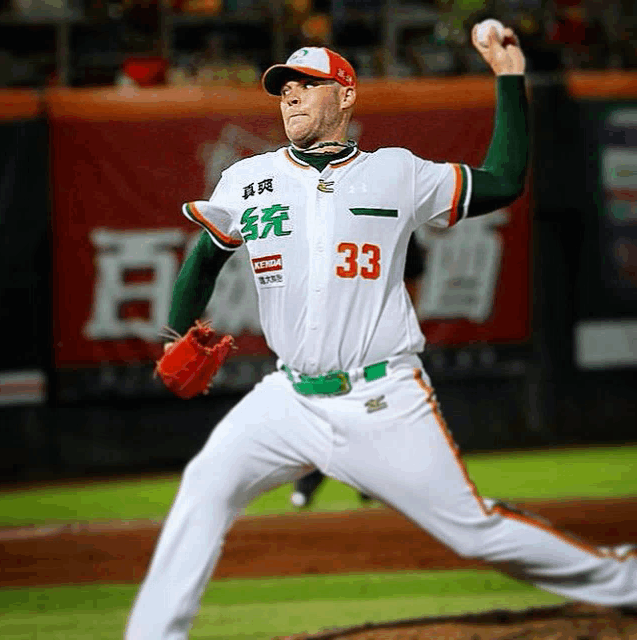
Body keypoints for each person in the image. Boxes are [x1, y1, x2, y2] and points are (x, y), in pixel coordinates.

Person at [126, 28, 637, 640]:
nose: (290, 97)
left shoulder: (396, 173)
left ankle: (626, 583)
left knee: (473, 530)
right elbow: (204, 259)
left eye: (306, 86)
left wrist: (507, 79)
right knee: (205, 485)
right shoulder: (246, 179)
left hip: (381, 400)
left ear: (345, 96)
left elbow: (503, 179)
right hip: (287, 399)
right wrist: (175, 331)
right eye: (283, 88)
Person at [290, 234, 424, 508]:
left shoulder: (395, 216)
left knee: (377, 409)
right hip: (331, 334)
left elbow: (413, 275)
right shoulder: (321, 217)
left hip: (378, 335)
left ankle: (371, 483)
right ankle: (308, 484)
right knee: (325, 410)